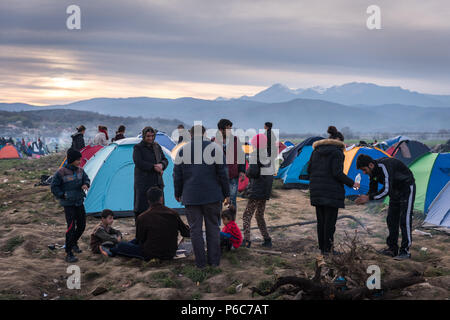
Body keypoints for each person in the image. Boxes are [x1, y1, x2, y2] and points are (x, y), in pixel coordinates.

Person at [173, 125, 230, 268]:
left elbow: (177, 175)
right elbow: (223, 174)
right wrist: (226, 193)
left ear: (190, 135)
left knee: (195, 230)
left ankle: (200, 263)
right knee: (213, 228)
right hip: (212, 196)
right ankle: (214, 262)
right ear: (204, 134)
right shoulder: (215, 148)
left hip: (191, 196)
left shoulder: (182, 150)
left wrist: (178, 192)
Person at [307, 126, 359, 256]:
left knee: (321, 221)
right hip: (331, 192)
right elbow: (337, 173)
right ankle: (328, 249)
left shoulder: (316, 151)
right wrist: (353, 184)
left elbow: (309, 170)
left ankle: (323, 249)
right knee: (330, 223)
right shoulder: (337, 152)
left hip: (317, 190)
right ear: (339, 141)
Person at [100, 187, 190, 260]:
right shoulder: (173, 213)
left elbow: (141, 239)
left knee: (123, 245)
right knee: (133, 242)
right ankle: (114, 246)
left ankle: (112, 250)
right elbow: (185, 233)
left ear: (148, 201)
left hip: (151, 253)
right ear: (161, 198)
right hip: (170, 252)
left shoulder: (143, 217)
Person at [355, 154, 416, 260]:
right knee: (391, 219)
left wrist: (369, 198)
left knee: (404, 219)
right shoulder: (372, 172)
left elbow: (386, 190)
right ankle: (392, 249)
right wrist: (366, 196)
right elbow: (373, 188)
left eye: (364, 170)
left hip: (406, 187)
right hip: (394, 191)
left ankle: (405, 251)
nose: (364, 173)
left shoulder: (385, 166)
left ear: (370, 165)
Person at [51, 148, 90, 263]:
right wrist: (62, 195)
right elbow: (54, 187)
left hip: (79, 201)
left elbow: (86, 179)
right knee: (71, 228)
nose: (79, 161)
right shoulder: (61, 172)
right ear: (72, 159)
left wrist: (85, 184)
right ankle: (69, 253)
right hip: (68, 204)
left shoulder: (81, 171)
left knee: (82, 225)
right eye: (78, 159)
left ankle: (73, 243)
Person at [242, 133, 274, 249]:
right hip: (265, 190)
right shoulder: (267, 155)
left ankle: (246, 240)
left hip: (257, 190)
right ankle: (267, 239)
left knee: (247, 216)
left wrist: (247, 172)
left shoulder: (255, 155)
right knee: (259, 215)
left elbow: (253, 172)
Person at [133, 126, 168, 219]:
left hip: (157, 183)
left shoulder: (157, 147)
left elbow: (165, 159)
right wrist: (153, 167)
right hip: (143, 184)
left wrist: (162, 165)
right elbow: (138, 162)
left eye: (152, 136)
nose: (150, 138)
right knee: (142, 209)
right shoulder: (138, 148)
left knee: (158, 209)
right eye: (148, 136)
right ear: (144, 136)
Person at [213, 119, 246, 212]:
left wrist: (242, 171)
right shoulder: (213, 141)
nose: (230, 131)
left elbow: (241, 156)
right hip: (218, 177)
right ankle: (217, 224)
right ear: (221, 130)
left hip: (233, 176)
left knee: (232, 201)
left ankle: (231, 225)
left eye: (230, 129)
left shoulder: (235, 140)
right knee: (217, 201)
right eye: (228, 129)